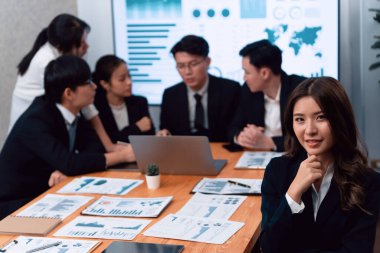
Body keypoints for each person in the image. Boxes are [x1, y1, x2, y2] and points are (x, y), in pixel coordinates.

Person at [0, 55, 135, 219]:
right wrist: (122, 156)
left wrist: (66, 167)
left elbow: (93, 145)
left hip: (48, 195)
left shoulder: (73, 111)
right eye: (88, 83)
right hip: (16, 204)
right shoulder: (36, 119)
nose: (94, 87)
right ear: (69, 93)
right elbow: (69, 163)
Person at [260, 77, 380, 252]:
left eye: (321, 117)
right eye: (300, 119)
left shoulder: (368, 182)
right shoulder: (277, 170)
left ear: (340, 120)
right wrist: (293, 193)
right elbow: (268, 247)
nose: (309, 130)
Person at [9, 13, 121, 152]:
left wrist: (109, 146)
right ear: (66, 47)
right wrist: (109, 147)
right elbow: (87, 108)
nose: (87, 47)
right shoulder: (49, 64)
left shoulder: (55, 53)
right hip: (32, 138)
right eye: (82, 44)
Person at [157, 35, 240, 142]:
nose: (187, 72)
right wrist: (163, 134)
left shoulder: (230, 90)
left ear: (207, 62)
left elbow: (235, 128)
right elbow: (165, 129)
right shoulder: (170, 95)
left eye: (193, 64)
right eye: (181, 66)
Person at [229, 39, 305, 151]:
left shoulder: (300, 89)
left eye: (247, 72)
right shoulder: (248, 90)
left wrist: (271, 142)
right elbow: (233, 127)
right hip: (259, 156)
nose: (244, 78)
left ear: (264, 73)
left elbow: (308, 137)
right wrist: (241, 137)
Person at [93, 55, 155, 143]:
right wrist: (136, 128)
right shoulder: (96, 109)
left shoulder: (140, 102)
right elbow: (104, 142)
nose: (129, 82)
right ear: (105, 84)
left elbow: (149, 137)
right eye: (122, 79)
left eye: (129, 76)